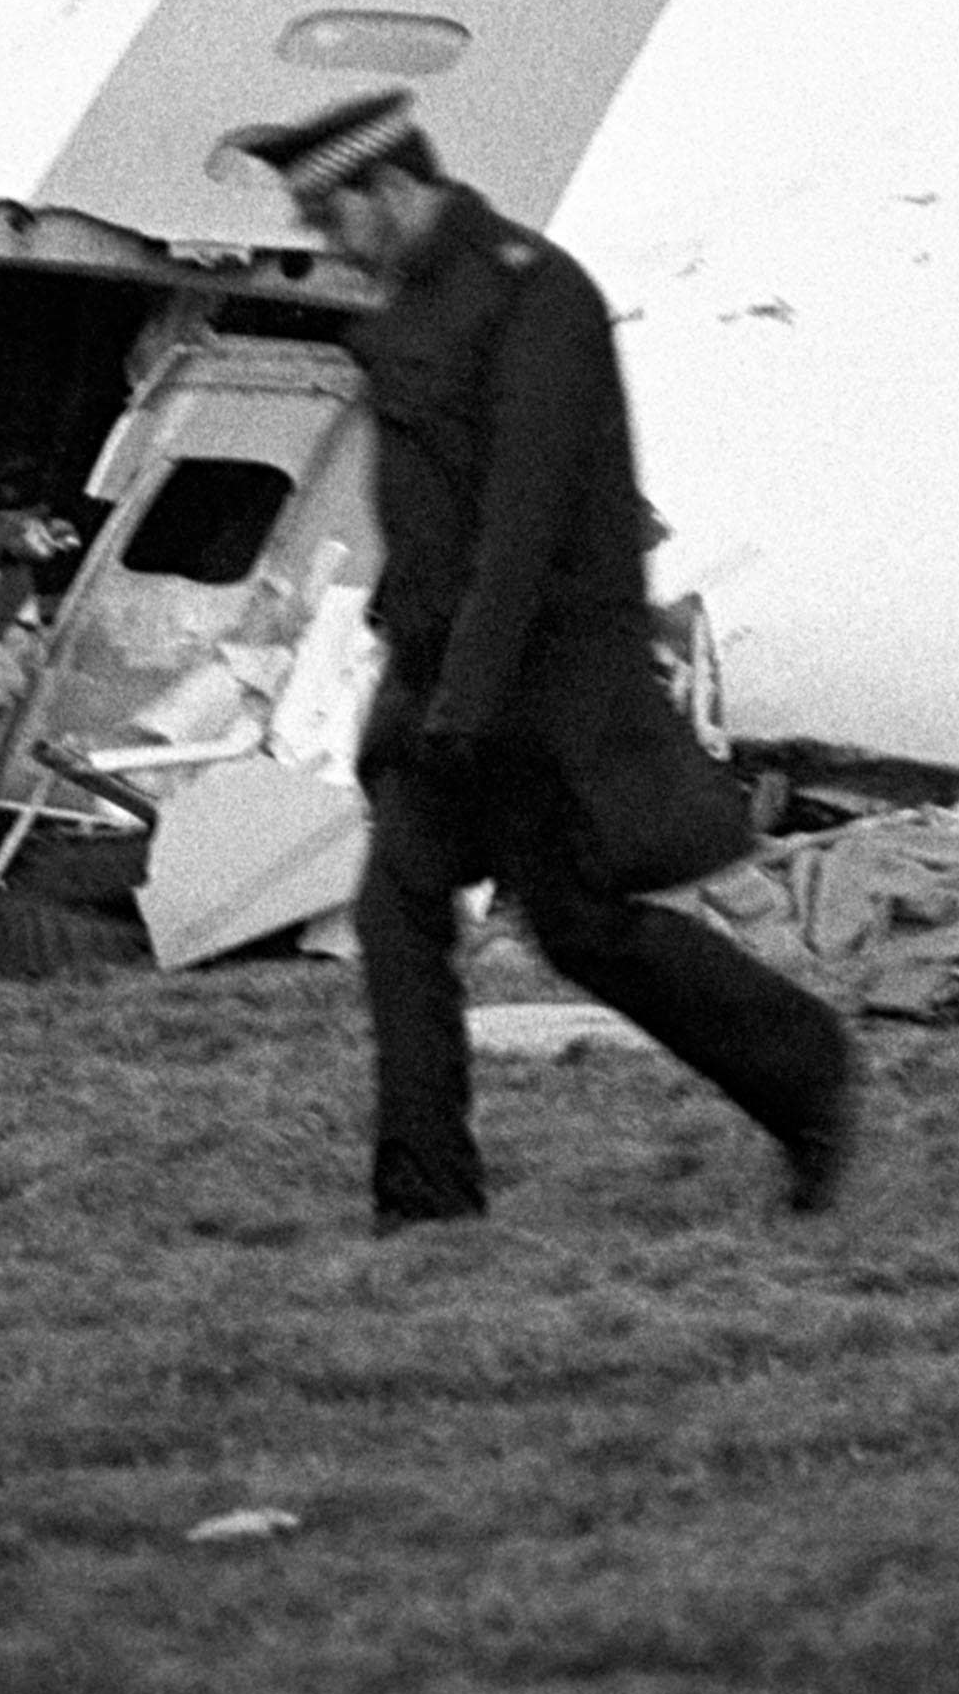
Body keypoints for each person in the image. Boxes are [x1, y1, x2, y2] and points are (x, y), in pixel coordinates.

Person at [223, 88, 859, 1229]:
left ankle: (807, 1071)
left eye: (334, 215)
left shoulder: (534, 296)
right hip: (446, 683)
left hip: (538, 692)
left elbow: (522, 528)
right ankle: (425, 1200)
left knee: (581, 930)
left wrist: (460, 710)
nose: (325, 241)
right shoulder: (417, 303)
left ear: (396, 190)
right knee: (399, 913)